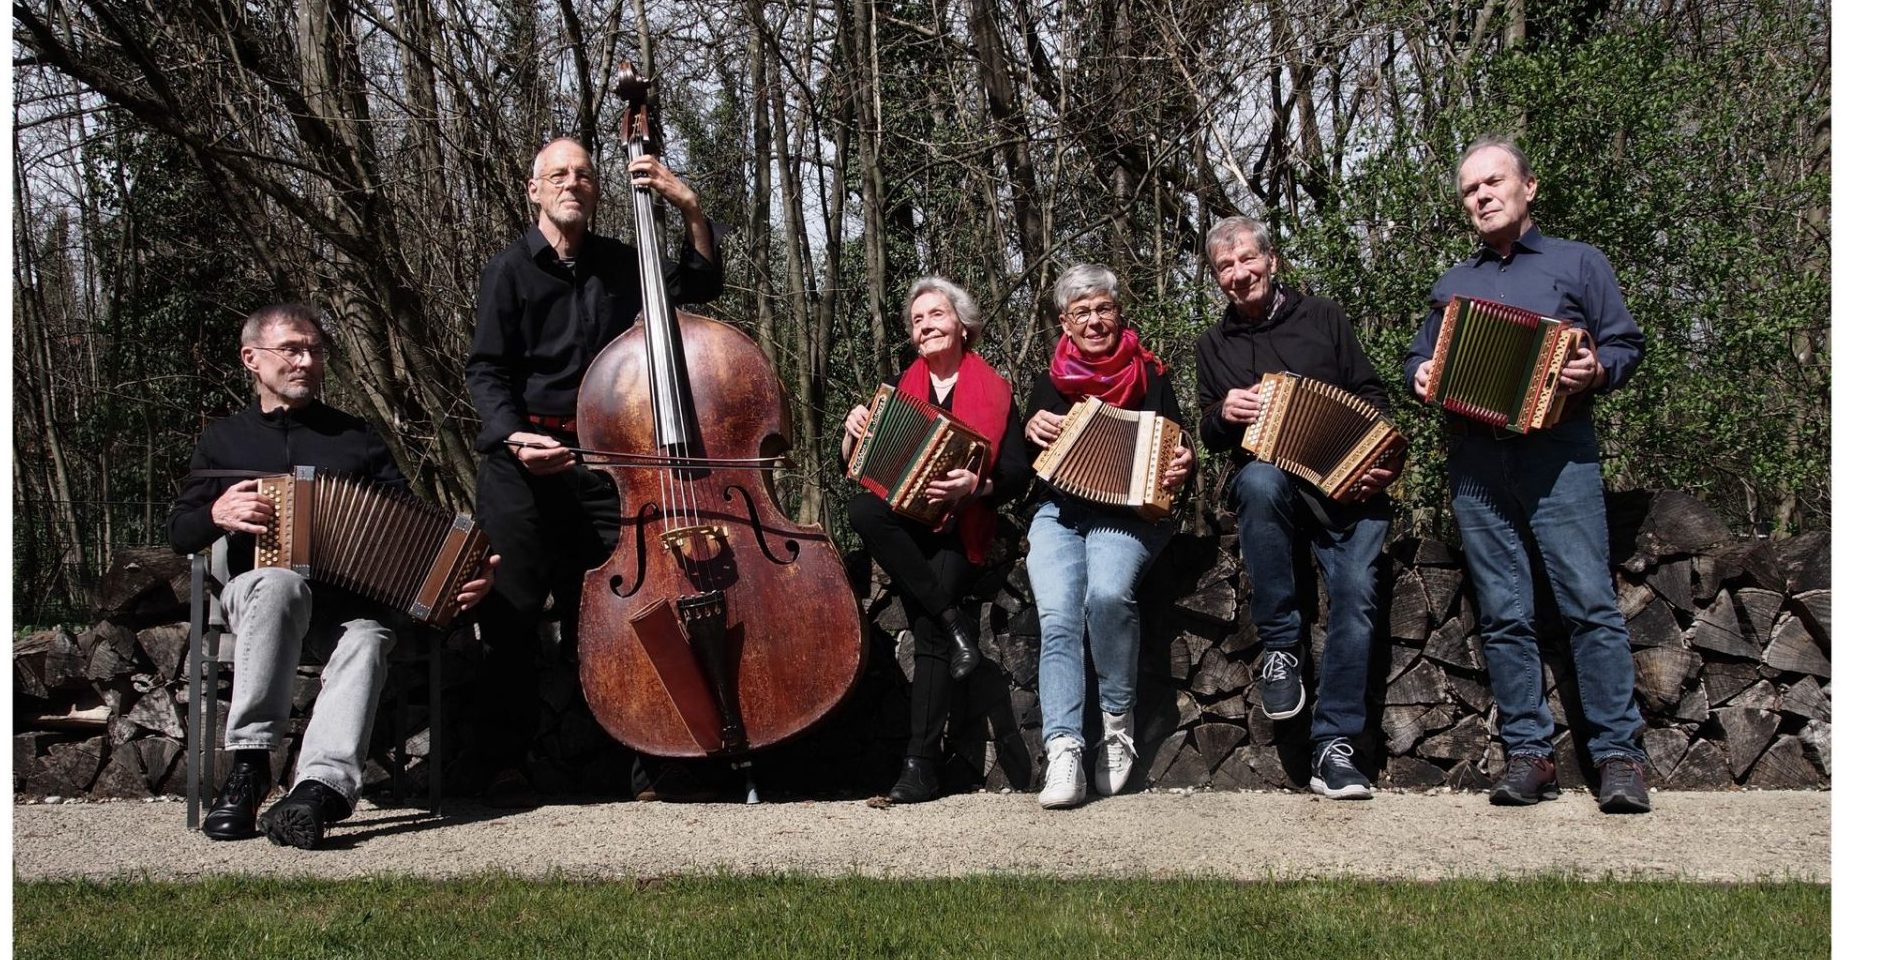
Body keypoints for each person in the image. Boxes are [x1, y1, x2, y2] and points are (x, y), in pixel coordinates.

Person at [169, 303, 496, 849]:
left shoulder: (355, 438)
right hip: (258, 596)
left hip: (343, 605)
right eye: (291, 349)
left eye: (315, 351)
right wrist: (215, 514)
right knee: (279, 583)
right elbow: (180, 533)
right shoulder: (224, 440)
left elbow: (415, 533)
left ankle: (317, 792)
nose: (306, 361)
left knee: (369, 639)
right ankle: (251, 767)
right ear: (252, 358)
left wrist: (468, 573)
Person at [464, 136, 722, 802]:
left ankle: (644, 762)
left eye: (582, 174)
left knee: (623, 611)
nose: (571, 183)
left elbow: (700, 285)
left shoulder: (621, 263)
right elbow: (486, 372)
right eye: (557, 174)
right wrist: (513, 436)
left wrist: (688, 205)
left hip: (604, 464)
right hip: (521, 464)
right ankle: (501, 763)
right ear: (533, 189)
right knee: (512, 613)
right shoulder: (506, 272)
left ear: (597, 189)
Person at [1404, 135, 1651, 814]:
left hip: (1558, 451)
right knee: (1505, 613)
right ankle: (1527, 755)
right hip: (1475, 457)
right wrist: (1419, 373)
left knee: (1588, 605)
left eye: (1491, 183)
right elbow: (1415, 361)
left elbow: (1625, 343)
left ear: (1527, 188)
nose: (1480, 196)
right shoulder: (1454, 284)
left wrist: (1595, 369)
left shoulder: (1578, 263)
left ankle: (1618, 759)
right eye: (1468, 190)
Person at [1193, 216, 1399, 800]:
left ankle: (1335, 750)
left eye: (1246, 261)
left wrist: (1378, 457)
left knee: (1357, 598)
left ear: (1272, 260)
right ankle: (1281, 646)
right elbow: (1207, 429)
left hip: (1344, 491)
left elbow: (1373, 393)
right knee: (1258, 479)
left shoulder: (1324, 316)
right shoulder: (1212, 346)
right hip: (1272, 492)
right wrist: (1221, 414)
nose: (1238, 275)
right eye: (1224, 268)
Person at [841, 277, 1030, 803]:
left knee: (926, 629)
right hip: (907, 522)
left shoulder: (994, 388)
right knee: (861, 510)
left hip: (964, 526)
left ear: (962, 325)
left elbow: (1018, 472)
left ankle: (920, 767)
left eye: (935, 315)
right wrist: (852, 433)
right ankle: (956, 622)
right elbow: (864, 473)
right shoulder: (904, 386)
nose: (925, 325)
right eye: (917, 320)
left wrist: (979, 486)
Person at [1022, 264, 1193, 809]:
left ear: (1119, 314)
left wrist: (1181, 462)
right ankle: (1064, 746)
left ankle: (1116, 726)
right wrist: (1029, 430)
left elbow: (1179, 448)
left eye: (1104, 309)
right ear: (1064, 323)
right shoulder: (1047, 383)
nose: (1095, 321)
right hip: (1060, 513)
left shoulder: (1151, 376)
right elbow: (1019, 461)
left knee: (1107, 594)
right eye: (1082, 313)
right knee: (1057, 615)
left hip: (1128, 513)